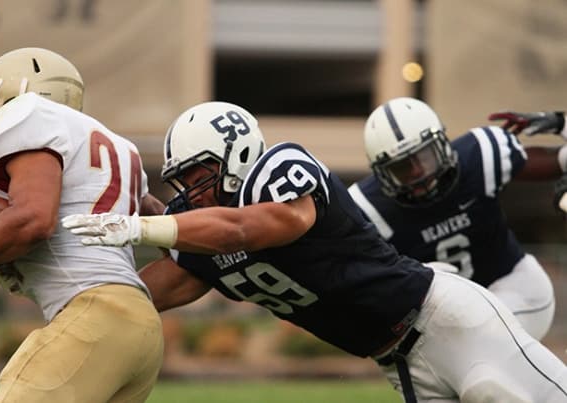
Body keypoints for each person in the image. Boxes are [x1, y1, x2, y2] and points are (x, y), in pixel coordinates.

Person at [62, 101, 567, 402]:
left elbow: (261, 226)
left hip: (442, 316)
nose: (192, 192)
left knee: (502, 392)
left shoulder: (280, 168)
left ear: (237, 156)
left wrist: (142, 227)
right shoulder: (202, 239)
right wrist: (66, 287)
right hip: (396, 360)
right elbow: (139, 296)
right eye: (183, 183)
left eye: (200, 176)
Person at [0, 47, 163, 403]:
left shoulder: (29, 114)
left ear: (15, 92)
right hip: (142, 328)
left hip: (94, 316)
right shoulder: (121, 147)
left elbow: (34, 220)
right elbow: (164, 223)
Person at [345, 97, 559, 341]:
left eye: (424, 157)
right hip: (447, 315)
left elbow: (561, 161)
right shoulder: (368, 207)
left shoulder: (478, 155)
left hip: (515, 288)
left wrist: (562, 123)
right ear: (382, 174)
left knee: (482, 345)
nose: (418, 173)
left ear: (442, 144)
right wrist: (410, 279)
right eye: (402, 168)